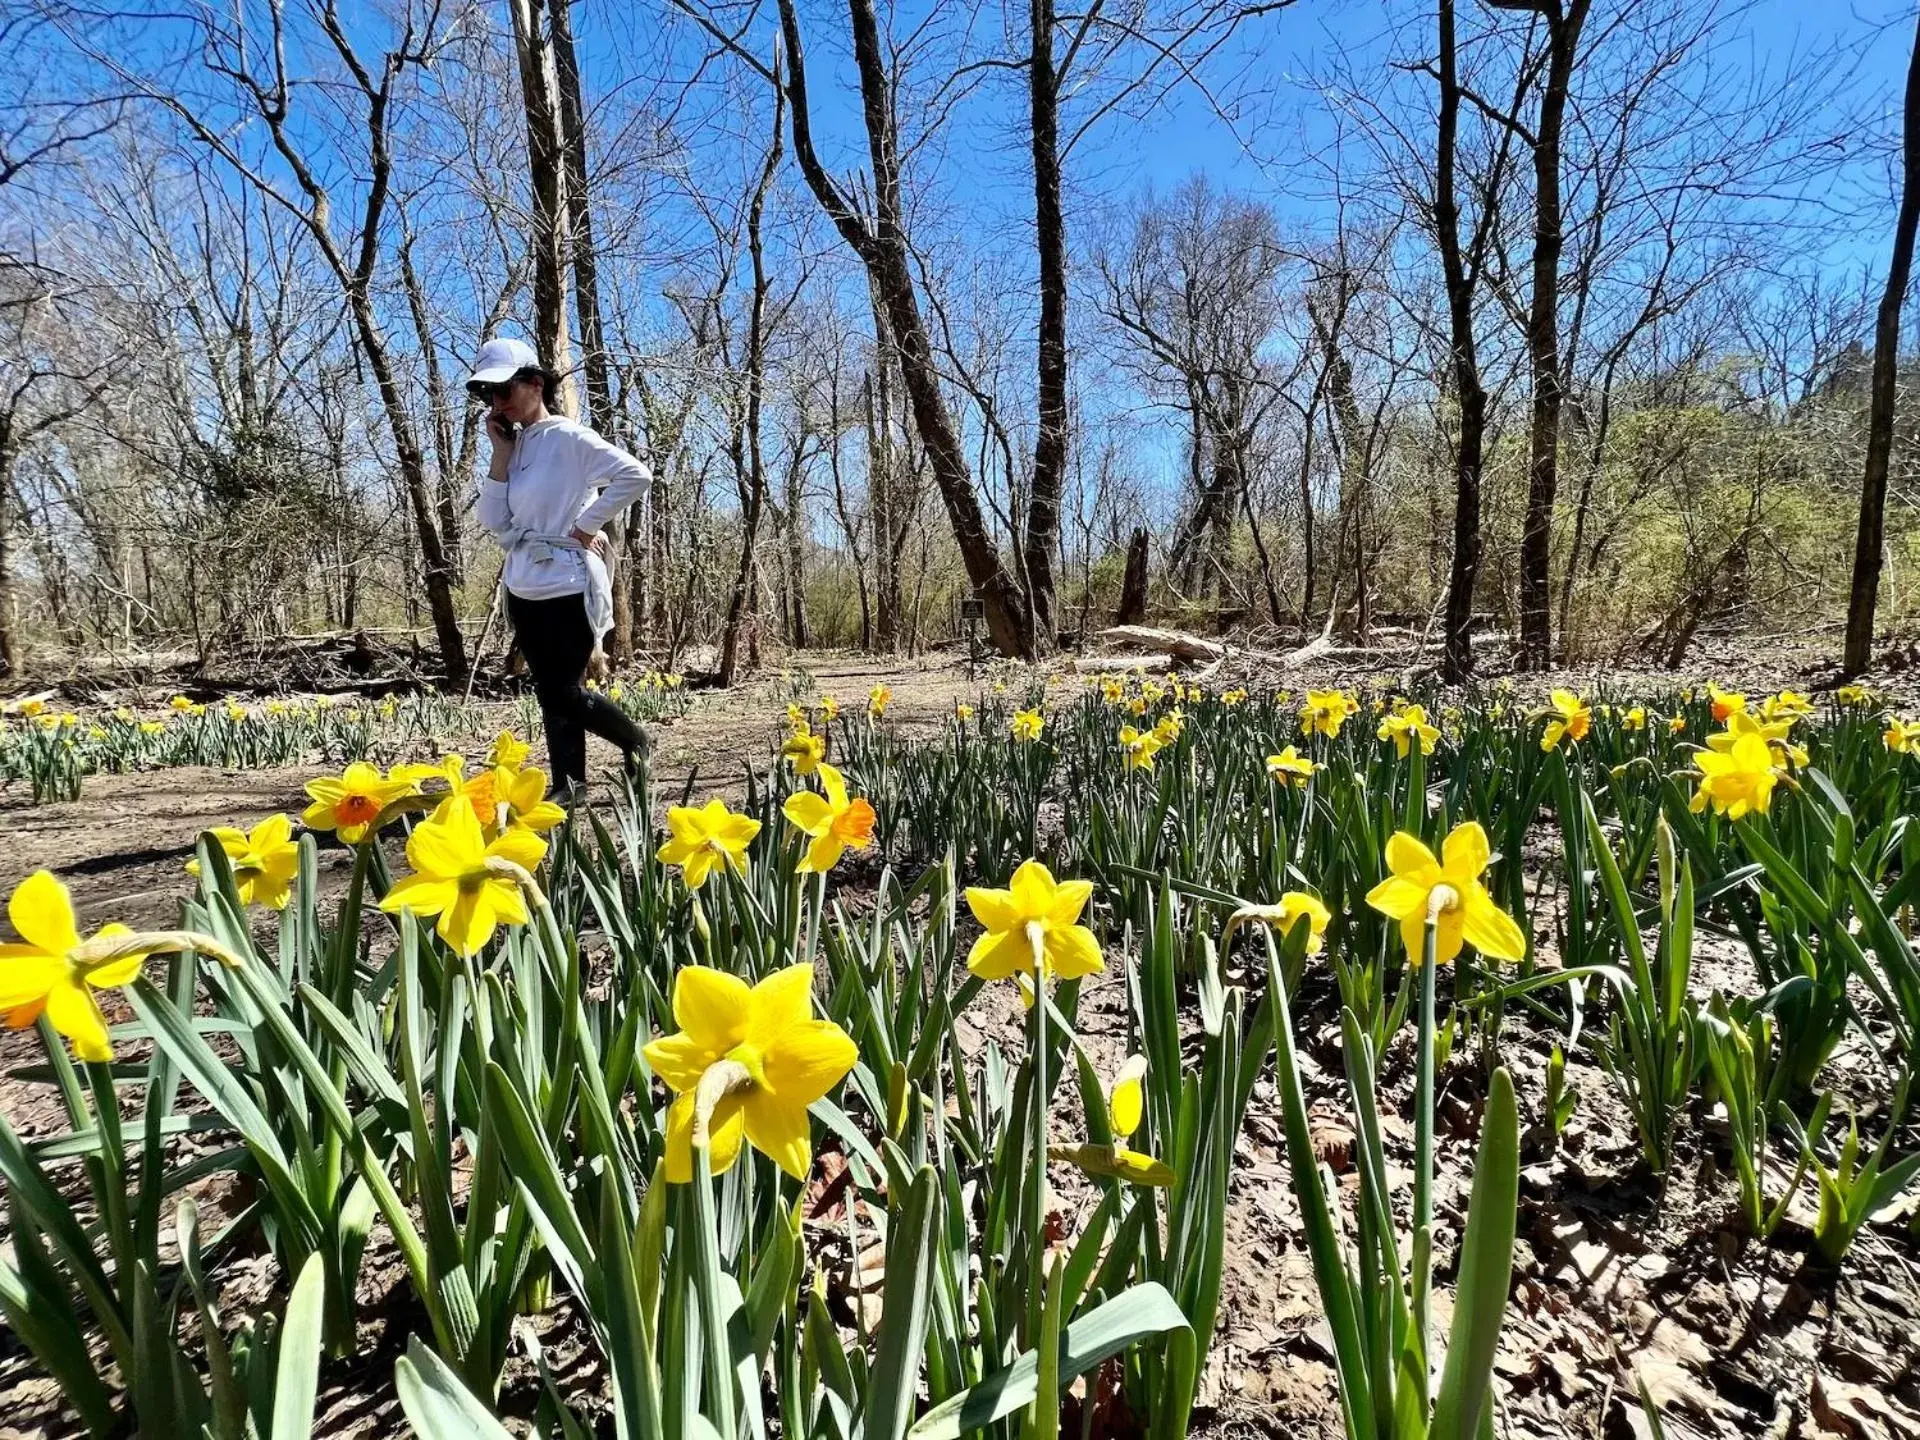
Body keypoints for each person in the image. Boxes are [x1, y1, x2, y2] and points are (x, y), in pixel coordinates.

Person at [469, 335, 649, 794]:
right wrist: (500, 455)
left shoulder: (569, 437)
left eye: (504, 390)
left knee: (562, 690)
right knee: (549, 690)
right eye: (490, 394)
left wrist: (587, 525)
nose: (497, 402)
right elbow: (493, 519)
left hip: (568, 580)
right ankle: (570, 785)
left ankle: (637, 742)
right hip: (524, 583)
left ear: (534, 384)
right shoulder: (516, 445)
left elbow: (635, 475)